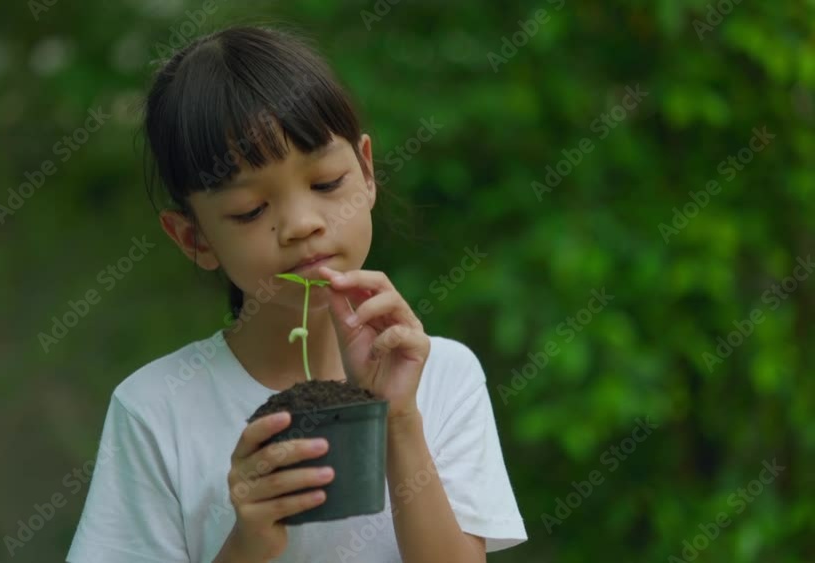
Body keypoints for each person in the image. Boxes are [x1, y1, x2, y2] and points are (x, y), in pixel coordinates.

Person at [66, 24, 527, 563]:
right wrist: (248, 541)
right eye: (249, 211)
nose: (301, 225)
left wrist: (399, 421)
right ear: (193, 237)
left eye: (327, 183)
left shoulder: (443, 375)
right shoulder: (155, 410)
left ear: (367, 170)